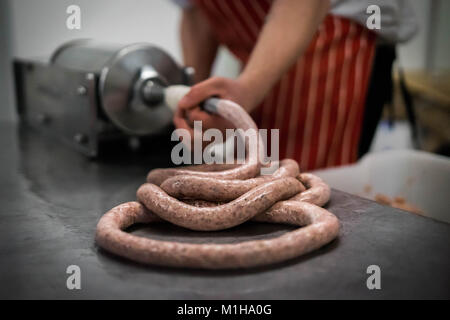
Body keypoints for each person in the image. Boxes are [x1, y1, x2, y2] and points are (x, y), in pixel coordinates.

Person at [172, 0, 417, 170]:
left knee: (299, 180)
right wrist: (192, 94)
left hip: (331, 36)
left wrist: (248, 89)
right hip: (259, 59)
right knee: (254, 170)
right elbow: (196, 12)